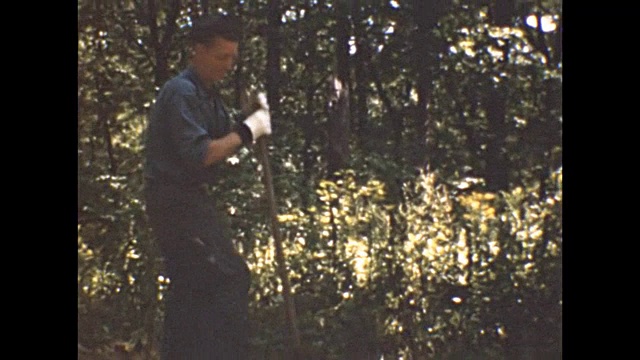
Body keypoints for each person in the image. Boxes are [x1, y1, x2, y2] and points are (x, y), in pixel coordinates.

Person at [142, 14, 271, 359]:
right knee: (227, 278)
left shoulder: (206, 96)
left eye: (232, 58)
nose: (227, 66)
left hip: (189, 200)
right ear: (197, 51)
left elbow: (222, 136)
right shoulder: (181, 92)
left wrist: (248, 120)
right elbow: (203, 154)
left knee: (191, 289)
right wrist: (248, 131)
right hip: (174, 201)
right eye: (220, 57)